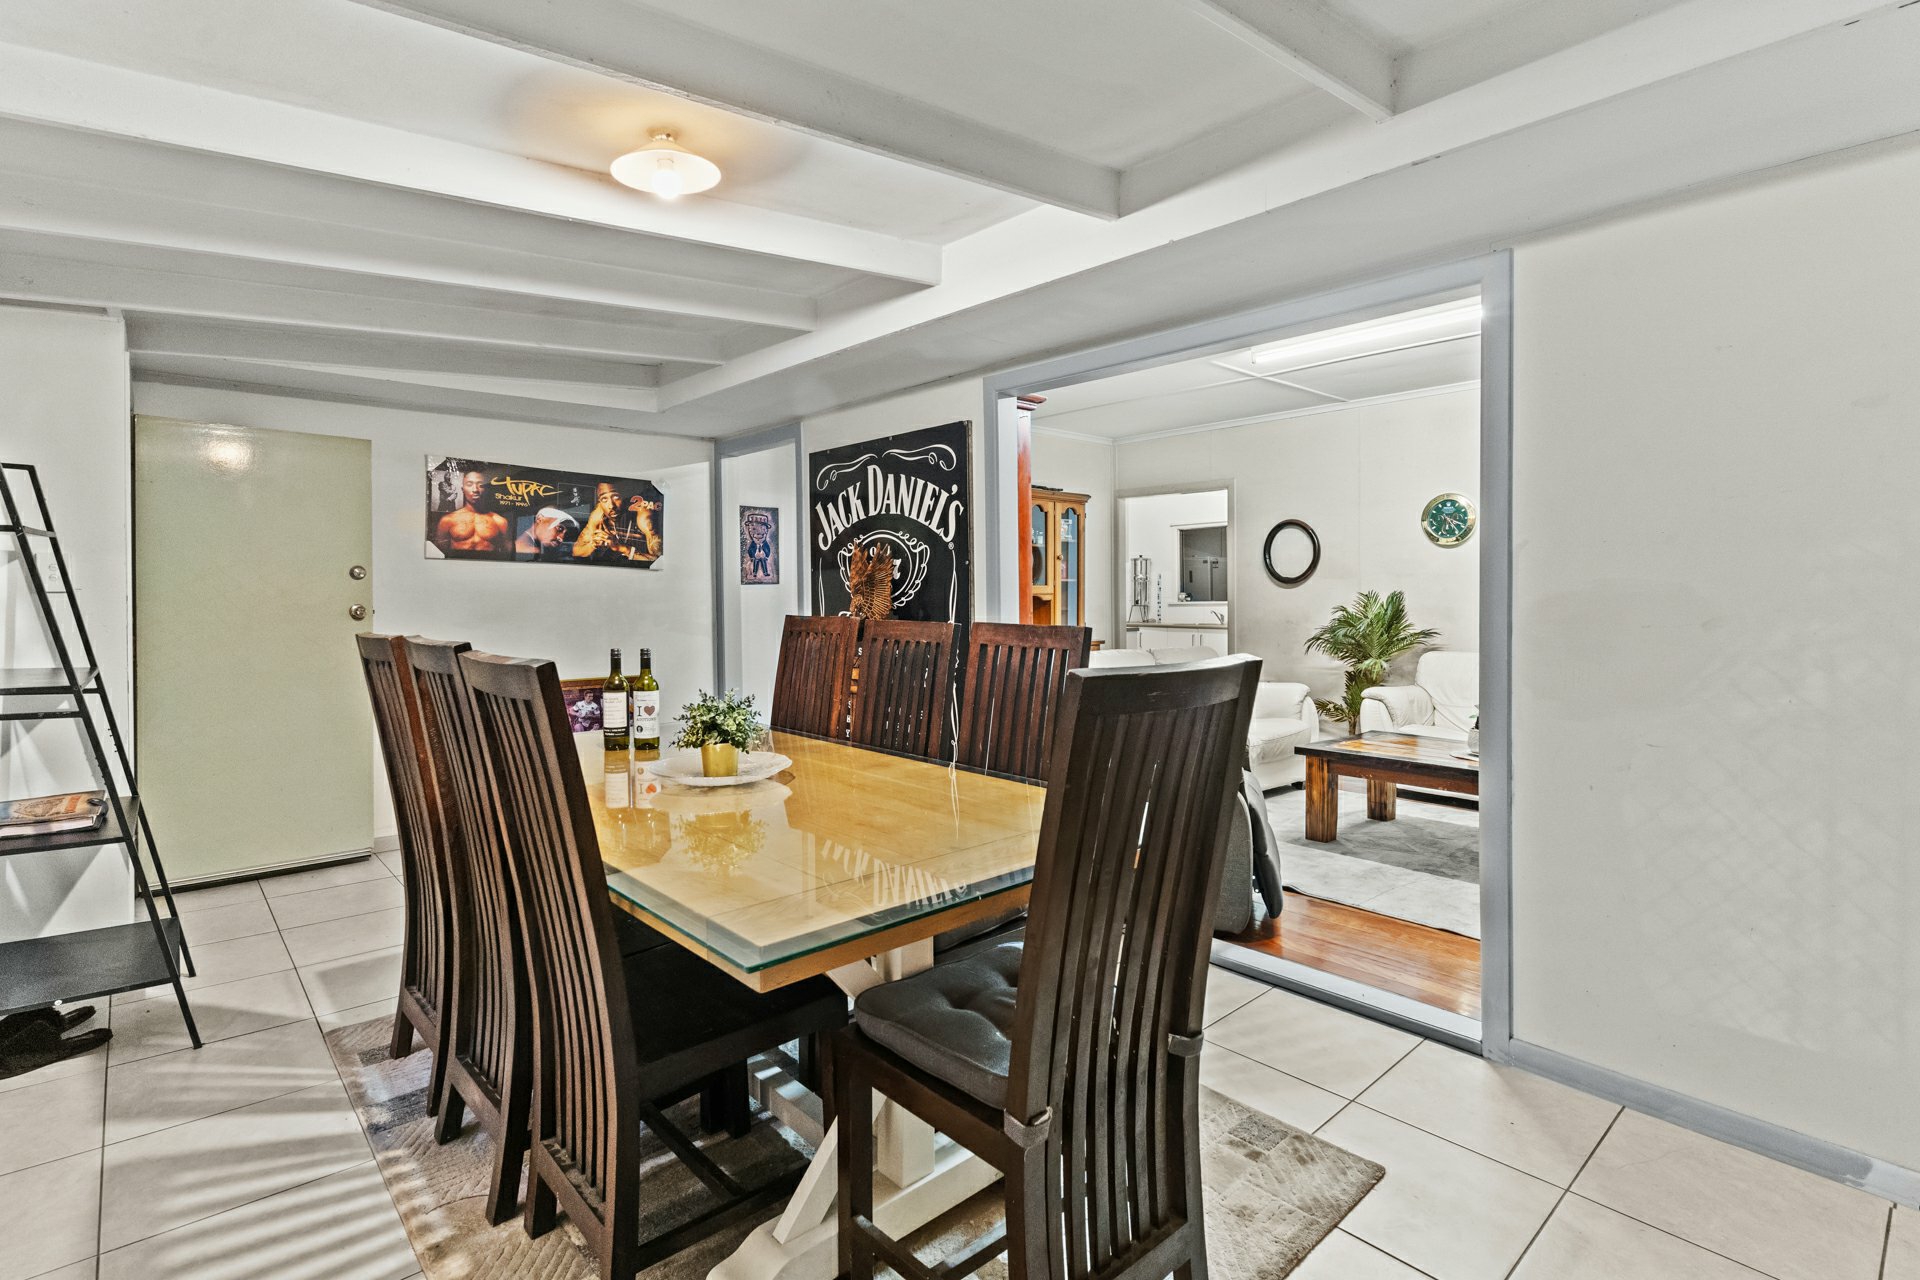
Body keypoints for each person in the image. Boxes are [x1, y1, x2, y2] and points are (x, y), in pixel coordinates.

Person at [433, 467, 510, 555]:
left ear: (486, 489)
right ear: (462, 490)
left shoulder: (499, 521)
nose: (475, 490)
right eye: (469, 484)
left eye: (480, 485)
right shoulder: (448, 520)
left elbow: (508, 555)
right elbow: (438, 554)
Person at [514, 506, 580, 560]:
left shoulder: (540, 550)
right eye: (559, 529)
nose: (561, 539)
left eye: (566, 534)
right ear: (539, 519)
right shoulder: (527, 549)